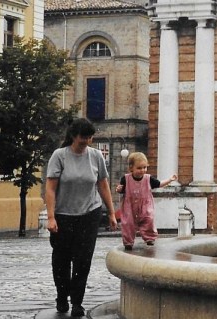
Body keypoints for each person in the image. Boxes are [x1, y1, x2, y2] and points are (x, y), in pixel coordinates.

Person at [45, 118, 117, 317]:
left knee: (83, 261)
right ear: (73, 136)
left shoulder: (95, 156)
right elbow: (50, 188)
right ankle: (62, 295)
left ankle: (77, 301)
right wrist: (51, 217)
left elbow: (102, 184)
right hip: (63, 215)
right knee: (61, 260)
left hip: (89, 214)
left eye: (89, 137)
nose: (86, 140)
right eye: (83, 137)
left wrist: (111, 212)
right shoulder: (59, 156)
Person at [116, 152, 177, 250]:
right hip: (129, 206)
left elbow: (159, 184)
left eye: (144, 167)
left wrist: (170, 180)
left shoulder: (148, 179)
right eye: (139, 168)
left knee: (149, 219)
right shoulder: (126, 179)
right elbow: (121, 190)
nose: (142, 170)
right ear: (131, 168)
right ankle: (128, 242)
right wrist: (119, 189)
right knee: (128, 223)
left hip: (145, 204)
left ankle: (149, 238)